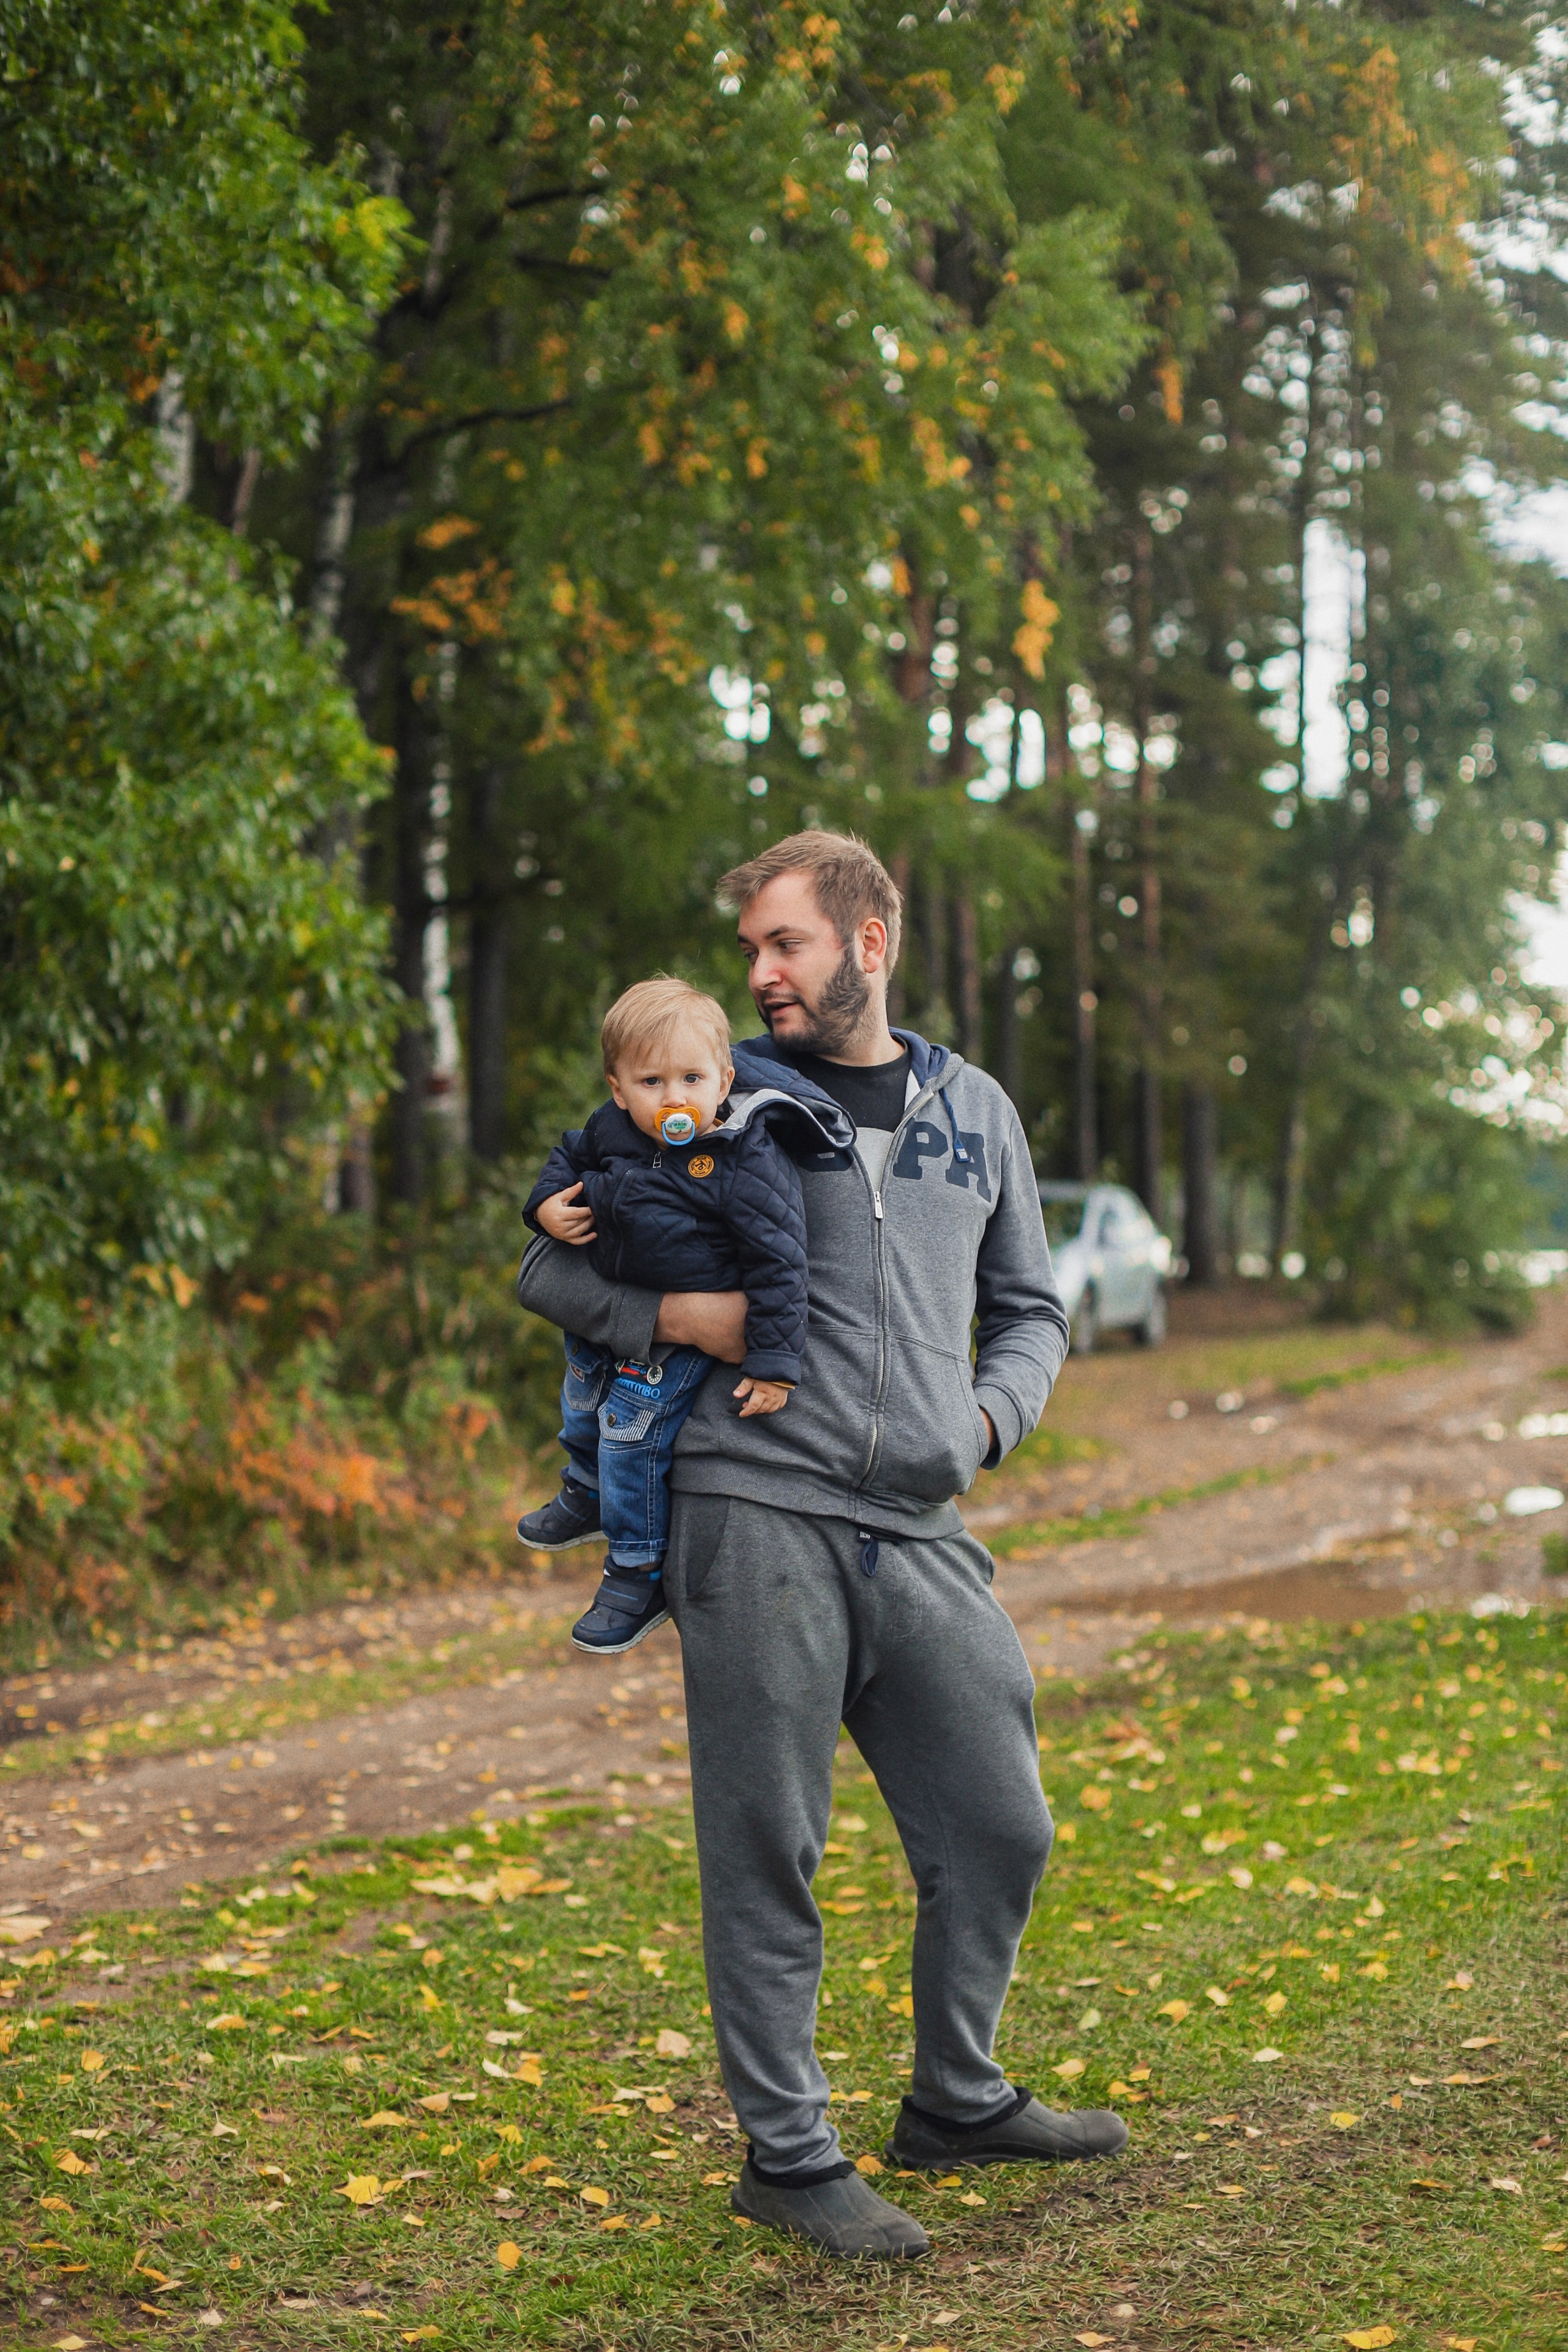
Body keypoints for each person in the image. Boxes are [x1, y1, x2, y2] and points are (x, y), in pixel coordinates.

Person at [518, 832, 1126, 2259]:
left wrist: (984, 1423)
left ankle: (957, 2097)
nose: (755, 977)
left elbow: (1029, 1305)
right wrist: (678, 1319)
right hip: (753, 1509)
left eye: (779, 945)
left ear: (864, 942)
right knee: (765, 1847)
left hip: (919, 1520)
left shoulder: (974, 1109)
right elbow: (548, 1261)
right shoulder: (709, 1090)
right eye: (744, 953)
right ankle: (787, 2157)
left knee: (999, 1820)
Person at [518, 975, 851, 1654]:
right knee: (581, 1398)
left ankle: (636, 1568)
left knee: (632, 1431)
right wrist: (546, 1204)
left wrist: (774, 1362)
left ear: (723, 1080)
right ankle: (583, 1490)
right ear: (618, 1089)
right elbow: (567, 1157)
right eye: (651, 1083)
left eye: (692, 1079)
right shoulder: (613, 1131)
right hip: (612, 1314)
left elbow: (781, 1263)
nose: (674, 1099)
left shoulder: (742, 1156)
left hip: (684, 1338)